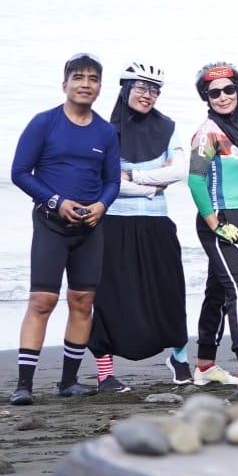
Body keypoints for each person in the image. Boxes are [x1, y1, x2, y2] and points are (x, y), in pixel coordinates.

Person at [9, 53, 121, 405]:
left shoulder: (106, 131)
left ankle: (68, 381)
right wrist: (57, 201)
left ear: (100, 87)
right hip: (51, 224)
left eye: (93, 78)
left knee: (82, 301)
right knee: (42, 300)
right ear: (65, 84)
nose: (85, 84)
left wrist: (102, 205)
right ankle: (24, 385)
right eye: (79, 77)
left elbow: (112, 181)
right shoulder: (44, 123)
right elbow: (20, 172)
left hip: (90, 227)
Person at [89, 62, 190, 392]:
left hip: (156, 223)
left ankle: (180, 358)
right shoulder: (104, 130)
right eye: (141, 88)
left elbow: (179, 172)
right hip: (113, 224)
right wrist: (150, 185)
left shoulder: (168, 128)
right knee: (108, 297)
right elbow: (106, 183)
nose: (148, 95)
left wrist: (130, 177)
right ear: (126, 89)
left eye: (154, 90)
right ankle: (105, 373)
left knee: (170, 292)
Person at [188, 62, 238, 391]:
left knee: (218, 291)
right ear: (206, 98)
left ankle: (205, 365)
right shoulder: (207, 131)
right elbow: (195, 182)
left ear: (237, 91)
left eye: (229, 90)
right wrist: (215, 224)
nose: (223, 97)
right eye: (215, 93)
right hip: (219, 220)